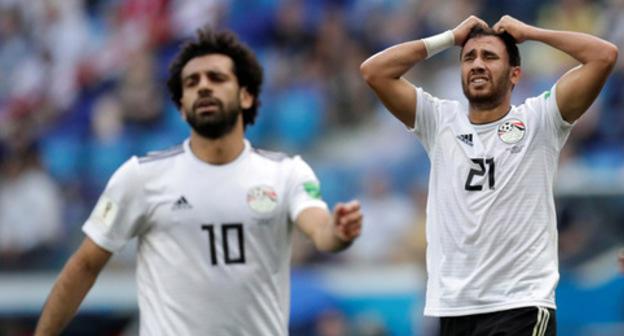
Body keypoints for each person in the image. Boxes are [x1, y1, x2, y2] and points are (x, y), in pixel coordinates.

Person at [35, 26, 363, 336]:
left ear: (246, 96)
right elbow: (84, 266)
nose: (203, 86)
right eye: (191, 83)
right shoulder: (140, 177)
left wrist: (338, 231)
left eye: (216, 78)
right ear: (181, 108)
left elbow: (321, 231)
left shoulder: (286, 173)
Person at [360, 15, 618, 336]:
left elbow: (604, 55)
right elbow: (373, 71)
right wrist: (450, 38)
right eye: (469, 58)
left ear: (515, 75)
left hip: (520, 304)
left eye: (490, 56)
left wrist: (530, 33)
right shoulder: (439, 121)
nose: (477, 64)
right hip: (456, 308)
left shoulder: (541, 119)